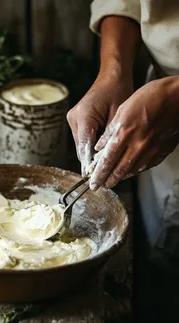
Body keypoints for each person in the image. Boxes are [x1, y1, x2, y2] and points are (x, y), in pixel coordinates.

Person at [67, 0, 179, 270]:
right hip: (154, 118)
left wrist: (175, 97)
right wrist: (113, 70)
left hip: (162, 106)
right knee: (163, 266)